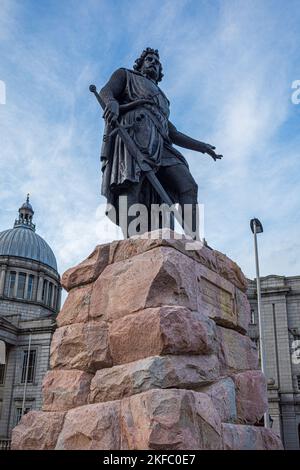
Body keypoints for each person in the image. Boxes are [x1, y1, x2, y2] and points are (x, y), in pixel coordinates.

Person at [99, 47, 222, 238]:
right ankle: (133, 240)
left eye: (157, 62)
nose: (153, 63)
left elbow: (172, 131)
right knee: (131, 182)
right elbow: (106, 91)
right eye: (149, 59)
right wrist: (111, 102)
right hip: (135, 131)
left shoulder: (164, 100)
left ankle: (194, 239)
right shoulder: (126, 75)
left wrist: (201, 147)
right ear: (140, 64)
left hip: (161, 142)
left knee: (188, 185)